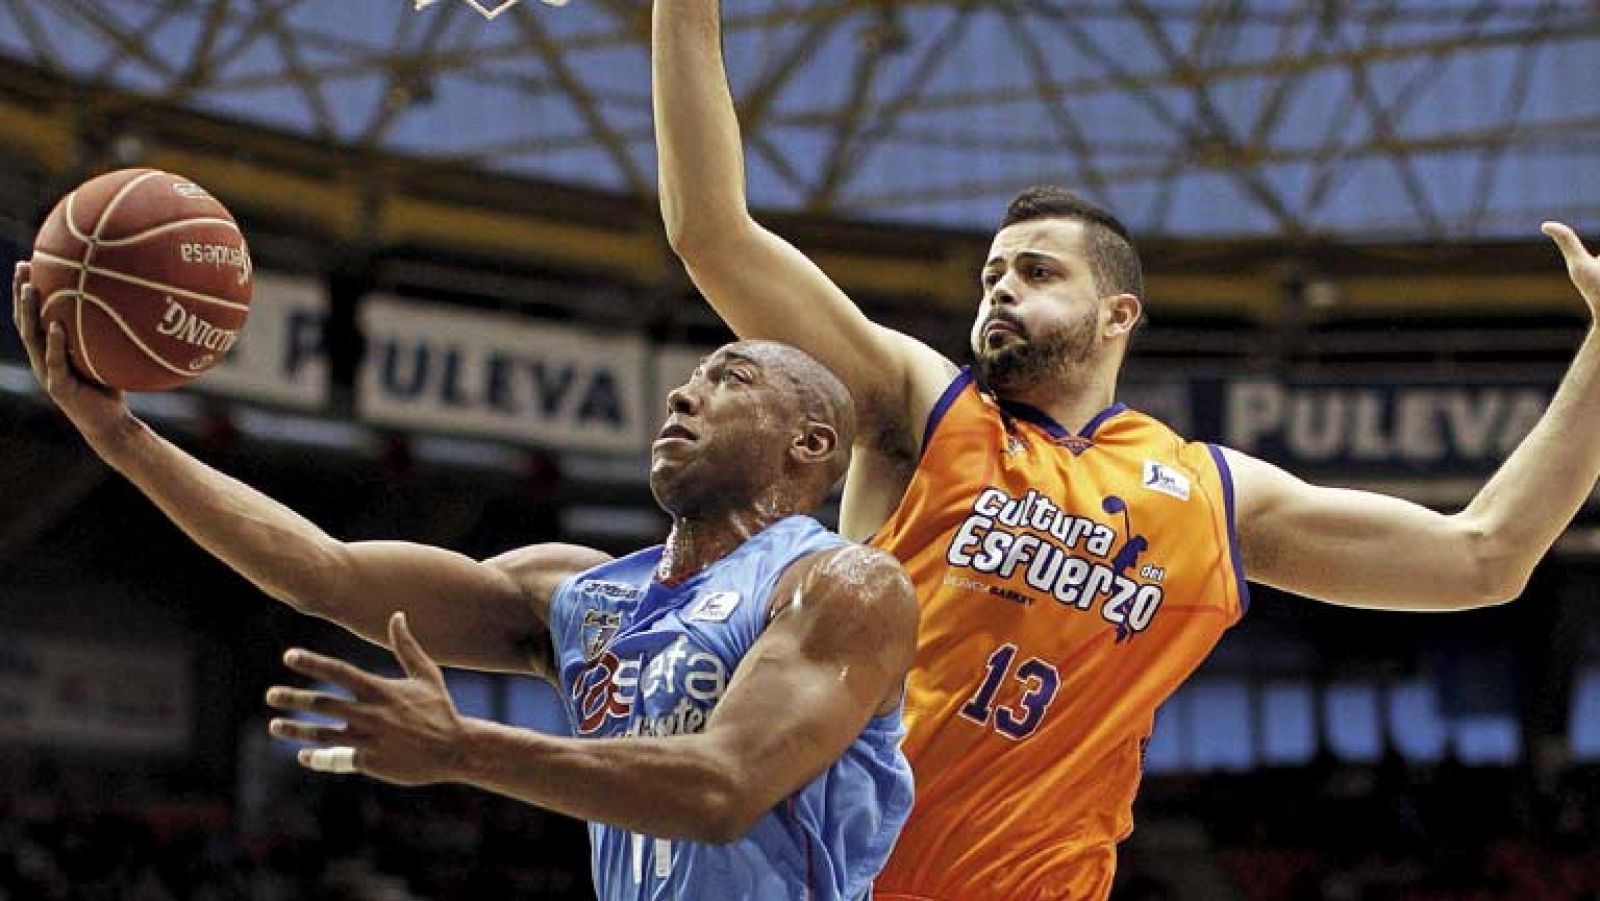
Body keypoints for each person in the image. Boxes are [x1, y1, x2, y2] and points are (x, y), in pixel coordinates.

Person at [650, 3, 1600, 898]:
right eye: (991, 272)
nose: (1000, 290)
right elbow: (713, 234)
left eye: (1035, 270)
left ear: (1118, 314)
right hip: (830, 876)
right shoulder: (920, 411)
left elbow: (1486, 554)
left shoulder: (1210, 494)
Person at [10, 261, 919, 901]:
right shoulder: (581, 594)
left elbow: (720, 790)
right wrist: (122, 439)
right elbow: (322, 572)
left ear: (809, 444)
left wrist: (462, 749)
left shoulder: (843, 584)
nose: (684, 396)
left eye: (730, 379)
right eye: (686, 379)